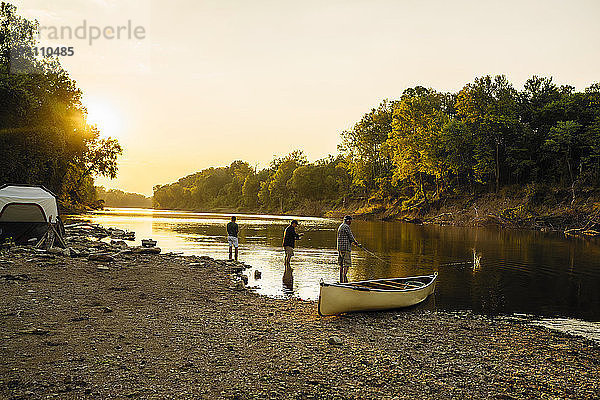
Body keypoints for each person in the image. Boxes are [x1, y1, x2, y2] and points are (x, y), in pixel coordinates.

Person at [337, 215, 360, 283]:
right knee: (347, 264)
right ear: (348, 220)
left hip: (340, 248)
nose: (351, 222)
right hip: (346, 249)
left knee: (341, 264)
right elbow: (350, 236)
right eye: (350, 220)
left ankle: (341, 278)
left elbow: (345, 237)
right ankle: (344, 277)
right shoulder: (346, 227)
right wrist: (355, 242)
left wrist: (353, 243)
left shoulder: (340, 226)